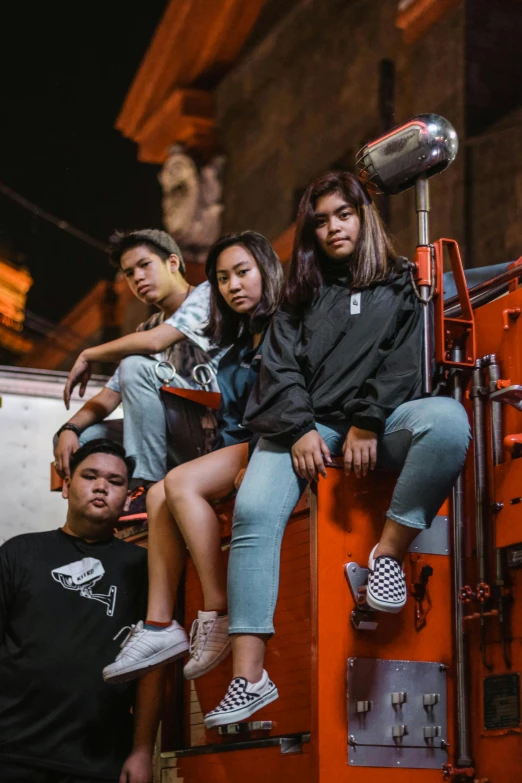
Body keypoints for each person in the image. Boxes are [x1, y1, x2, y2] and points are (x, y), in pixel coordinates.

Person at [204, 171, 471, 728]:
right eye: (320, 220)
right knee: (253, 513)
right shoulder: (298, 293)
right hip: (307, 426)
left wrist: (369, 422)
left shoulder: (402, 283)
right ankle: (249, 678)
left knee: (447, 423)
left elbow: (406, 364)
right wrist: (300, 428)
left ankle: (388, 557)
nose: (332, 228)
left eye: (342, 215)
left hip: (377, 422)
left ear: (363, 216)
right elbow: (277, 370)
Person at [102, 232, 284, 685]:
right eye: (223, 278)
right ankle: (160, 624)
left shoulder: (284, 322)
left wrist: (254, 457)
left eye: (242, 273)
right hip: (235, 440)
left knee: (178, 483)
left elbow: (287, 400)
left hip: (270, 441)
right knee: (165, 489)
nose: (231, 286)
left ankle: (216, 609)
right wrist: (71, 430)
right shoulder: (238, 336)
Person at [0, 439, 165, 783]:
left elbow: (153, 665)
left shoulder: (143, 567)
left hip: (99, 760)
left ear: (127, 496)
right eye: (90, 475)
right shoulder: (19, 554)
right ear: (66, 485)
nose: (102, 486)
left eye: (115, 481)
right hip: (12, 752)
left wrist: (141, 750)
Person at [53, 229, 223, 521]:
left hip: (212, 434)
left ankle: (145, 488)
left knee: (135, 364)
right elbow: (110, 395)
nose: (138, 278)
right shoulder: (146, 328)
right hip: (173, 440)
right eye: (129, 273)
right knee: (86, 437)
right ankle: (104, 510)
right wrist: (67, 431)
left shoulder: (207, 296)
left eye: (145, 265)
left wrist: (88, 354)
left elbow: (156, 342)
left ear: (172, 263)